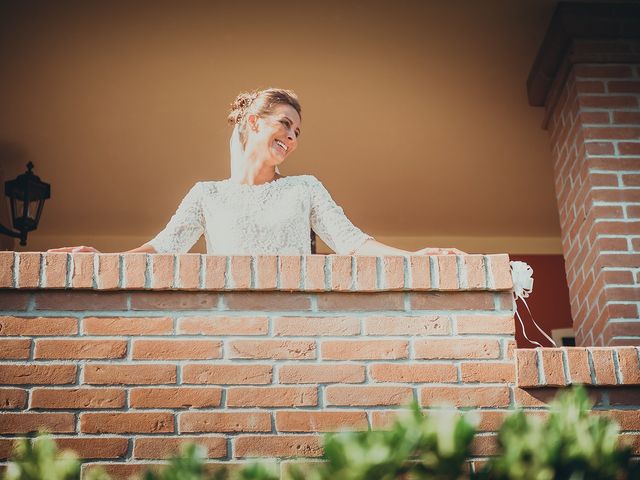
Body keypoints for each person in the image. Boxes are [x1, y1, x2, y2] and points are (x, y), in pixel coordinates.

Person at [49, 88, 464, 256]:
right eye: (284, 123)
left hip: (300, 326)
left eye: (298, 131)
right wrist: (100, 258)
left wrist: (413, 257)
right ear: (252, 123)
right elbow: (160, 251)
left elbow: (352, 243)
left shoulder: (305, 188)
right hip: (230, 331)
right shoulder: (206, 195)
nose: (292, 136)